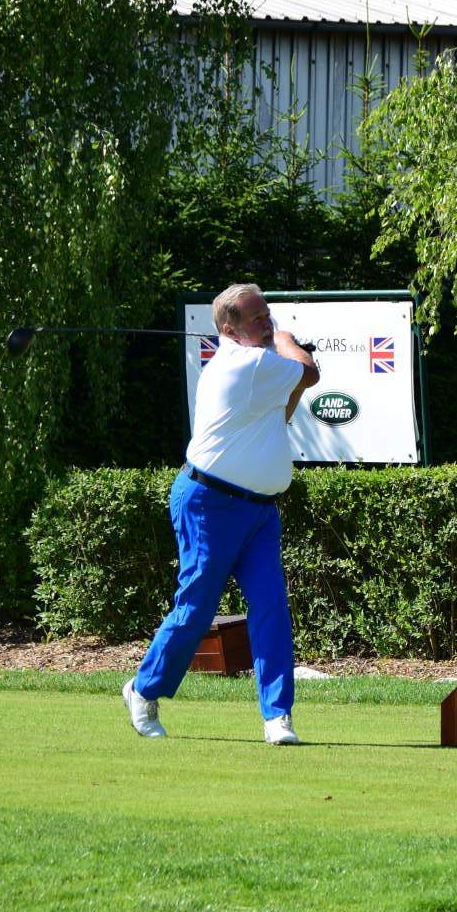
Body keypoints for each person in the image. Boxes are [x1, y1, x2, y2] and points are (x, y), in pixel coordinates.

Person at [122, 283, 319, 745]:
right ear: (230, 331)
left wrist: (280, 349)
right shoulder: (248, 365)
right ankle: (143, 689)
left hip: (259, 513)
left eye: (268, 315)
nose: (267, 323)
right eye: (257, 319)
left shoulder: (257, 366)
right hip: (209, 504)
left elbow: (282, 411)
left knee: (271, 607)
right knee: (196, 607)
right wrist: (288, 340)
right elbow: (308, 373)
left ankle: (277, 716)